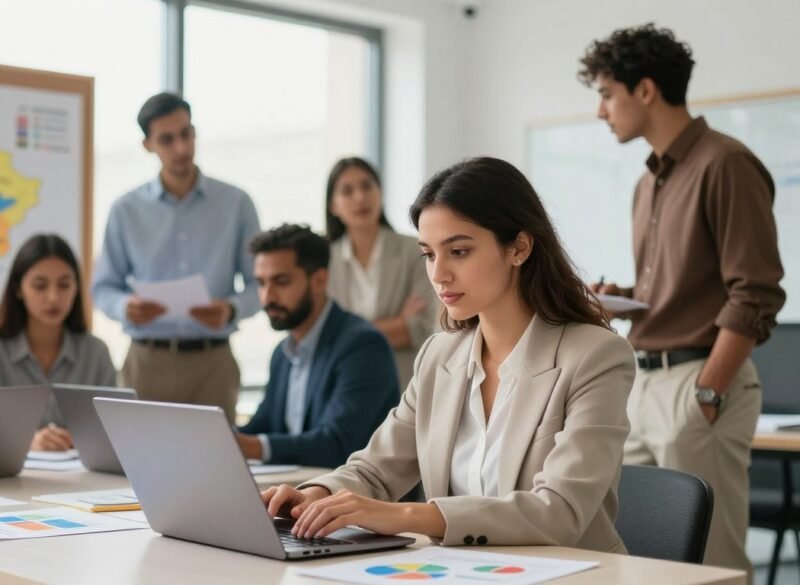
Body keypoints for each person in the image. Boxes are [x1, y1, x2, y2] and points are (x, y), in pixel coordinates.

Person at [261, 158, 636, 551]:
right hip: (464, 572)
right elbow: (375, 470)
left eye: (458, 251)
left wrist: (404, 515)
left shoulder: (596, 356)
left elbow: (558, 512)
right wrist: (315, 495)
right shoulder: (439, 356)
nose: (438, 274)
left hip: (570, 573)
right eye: (428, 254)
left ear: (519, 248)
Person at [579, 24, 785, 577]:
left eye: (607, 94)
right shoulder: (647, 183)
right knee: (634, 555)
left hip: (697, 384)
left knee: (710, 564)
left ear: (645, 90)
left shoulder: (725, 163)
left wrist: (707, 393)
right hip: (643, 384)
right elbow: (678, 287)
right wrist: (625, 298)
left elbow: (755, 291)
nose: (601, 111)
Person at [92, 92, 260, 423]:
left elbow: (260, 285)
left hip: (213, 364)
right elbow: (102, 288)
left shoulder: (237, 203)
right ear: (148, 145)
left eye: (186, 134)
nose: (181, 148)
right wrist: (126, 307)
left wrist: (231, 309)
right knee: (139, 452)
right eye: (167, 139)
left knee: (217, 454)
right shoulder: (125, 210)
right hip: (147, 363)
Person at [236, 225, 399, 468]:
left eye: (281, 281)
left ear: (319, 281)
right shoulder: (282, 353)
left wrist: (252, 446)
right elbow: (264, 424)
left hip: (353, 488)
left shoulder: (363, 346)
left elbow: (337, 444)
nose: (267, 297)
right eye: (261, 283)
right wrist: (220, 437)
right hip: (301, 483)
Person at [0, 234, 116, 451]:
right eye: (40, 286)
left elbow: (113, 433)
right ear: (18, 288)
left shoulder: (96, 352)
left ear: (77, 288)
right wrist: (27, 441)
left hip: (79, 470)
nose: (53, 297)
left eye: (64, 285)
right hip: (7, 471)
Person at [324, 157, 437, 387]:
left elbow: (419, 328)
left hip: (402, 384)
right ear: (333, 205)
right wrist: (397, 322)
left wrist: (345, 334)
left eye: (367, 186)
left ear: (381, 192)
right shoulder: (324, 262)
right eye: (347, 191)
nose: (360, 197)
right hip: (343, 383)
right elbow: (323, 337)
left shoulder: (415, 251)